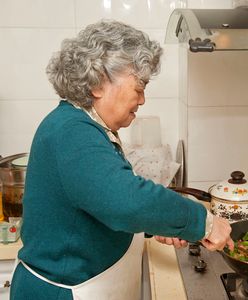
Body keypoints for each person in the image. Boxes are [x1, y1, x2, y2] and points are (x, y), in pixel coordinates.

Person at [10, 19, 233, 300]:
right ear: (99, 83)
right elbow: (126, 201)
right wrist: (203, 221)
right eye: (139, 87)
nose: (142, 100)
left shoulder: (86, 126)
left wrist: (158, 226)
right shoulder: (71, 131)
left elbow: (99, 202)